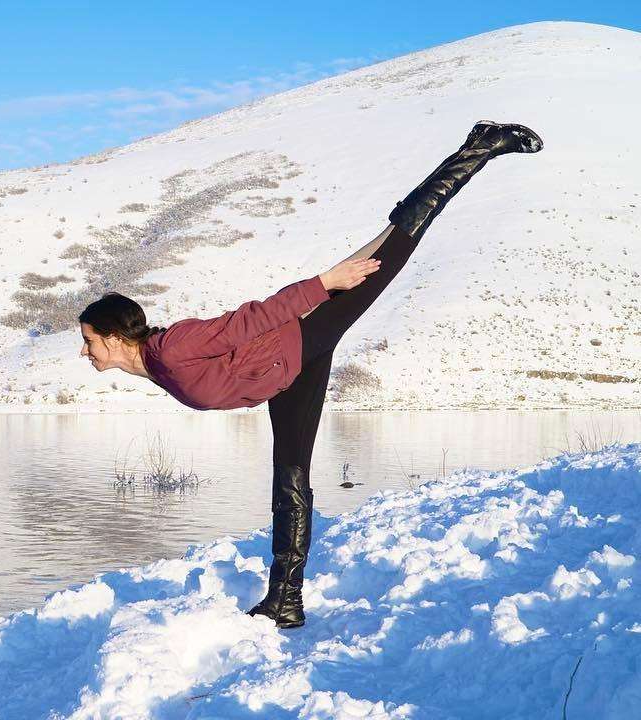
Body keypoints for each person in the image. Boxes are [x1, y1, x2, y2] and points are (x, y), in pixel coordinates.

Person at [77, 121, 543, 628]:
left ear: (114, 336)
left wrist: (325, 282)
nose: (85, 350)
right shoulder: (155, 365)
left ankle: (482, 147)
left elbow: (251, 319)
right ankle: (286, 598)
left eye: (89, 340)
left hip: (300, 337)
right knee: (291, 478)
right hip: (288, 375)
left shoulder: (172, 347)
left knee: (393, 246)